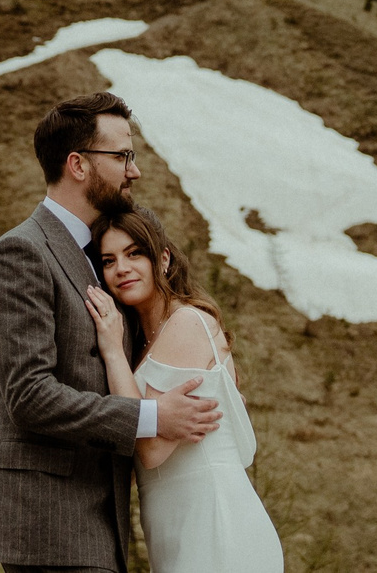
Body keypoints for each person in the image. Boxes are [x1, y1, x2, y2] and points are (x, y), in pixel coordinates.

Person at [0, 92, 224, 572]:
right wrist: (153, 418)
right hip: (48, 518)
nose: (135, 171)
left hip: (101, 517)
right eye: (122, 156)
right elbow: (28, 395)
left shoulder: (103, 256)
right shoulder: (21, 253)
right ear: (78, 165)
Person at [83, 204, 283, 573]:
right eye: (108, 261)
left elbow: (151, 448)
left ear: (163, 259)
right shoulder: (144, 341)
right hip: (173, 522)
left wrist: (111, 350)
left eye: (134, 254)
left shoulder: (187, 322)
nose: (121, 268)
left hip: (214, 519)